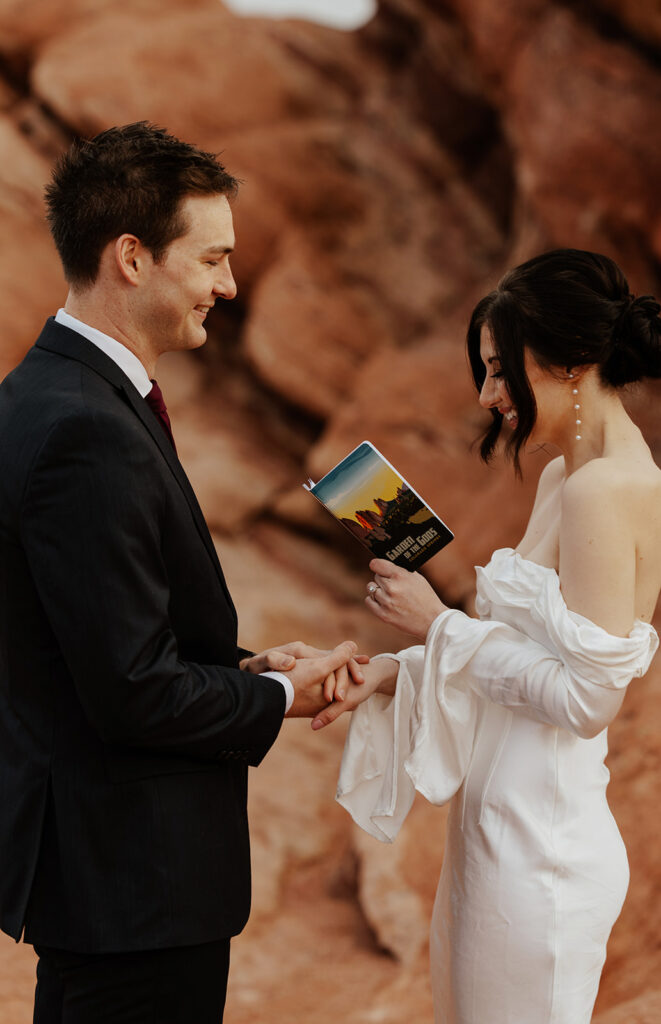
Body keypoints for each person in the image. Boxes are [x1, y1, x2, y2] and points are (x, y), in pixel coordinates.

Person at [0, 122, 361, 1024]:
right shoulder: (85, 429)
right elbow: (130, 690)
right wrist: (281, 700)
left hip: (107, 878)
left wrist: (242, 670)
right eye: (211, 258)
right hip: (131, 888)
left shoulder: (42, 395)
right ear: (132, 257)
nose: (228, 284)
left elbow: (90, 635)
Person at [312, 249, 661, 1023]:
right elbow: (516, 653)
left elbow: (585, 700)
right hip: (495, 832)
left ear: (570, 365)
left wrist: (436, 622)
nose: (486, 394)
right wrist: (398, 668)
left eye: (502, 371)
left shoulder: (606, 490)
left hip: (542, 858)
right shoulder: (564, 476)